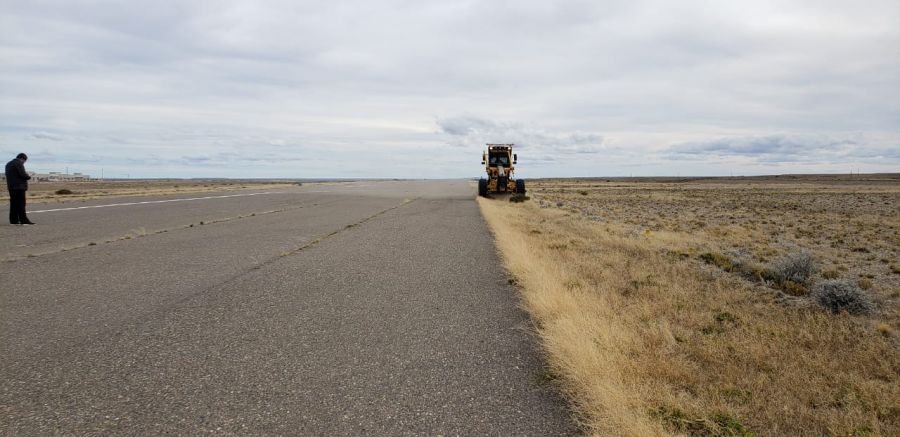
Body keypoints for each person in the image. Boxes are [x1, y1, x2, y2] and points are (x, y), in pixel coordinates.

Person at [5, 153, 34, 225]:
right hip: (19, 187)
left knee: (13, 204)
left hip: (11, 187)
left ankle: (13, 220)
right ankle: (24, 220)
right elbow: (23, 174)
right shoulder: (18, 163)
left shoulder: (8, 164)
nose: (24, 163)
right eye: (24, 161)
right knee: (21, 204)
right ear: (22, 159)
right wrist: (29, 176)